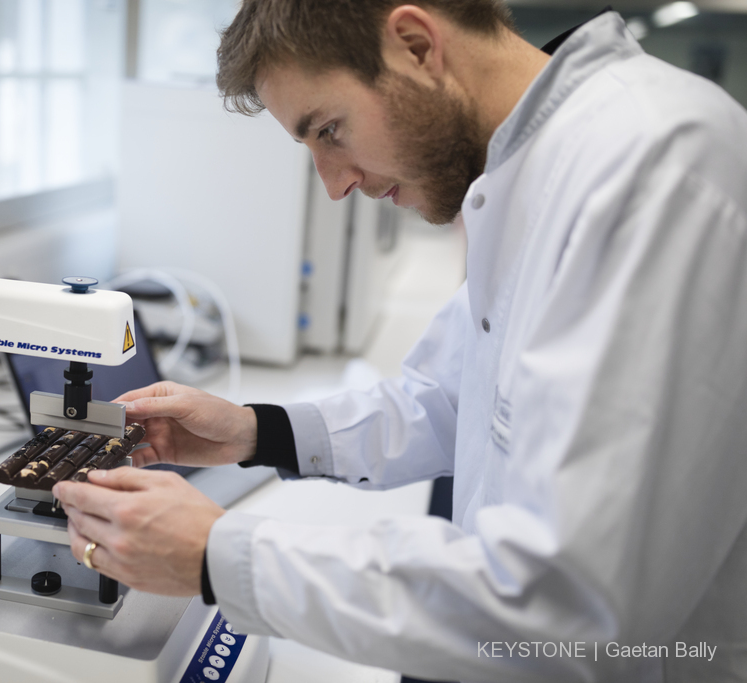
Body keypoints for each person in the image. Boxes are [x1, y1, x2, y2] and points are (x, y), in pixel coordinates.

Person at [53, 1, 747, 680]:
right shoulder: (529, 170)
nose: (334, 184)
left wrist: (218, 555)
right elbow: (447, 399)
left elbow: (568, 606)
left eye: (329, 130)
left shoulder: (653, 162)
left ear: (415, 45)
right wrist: (253, 431)